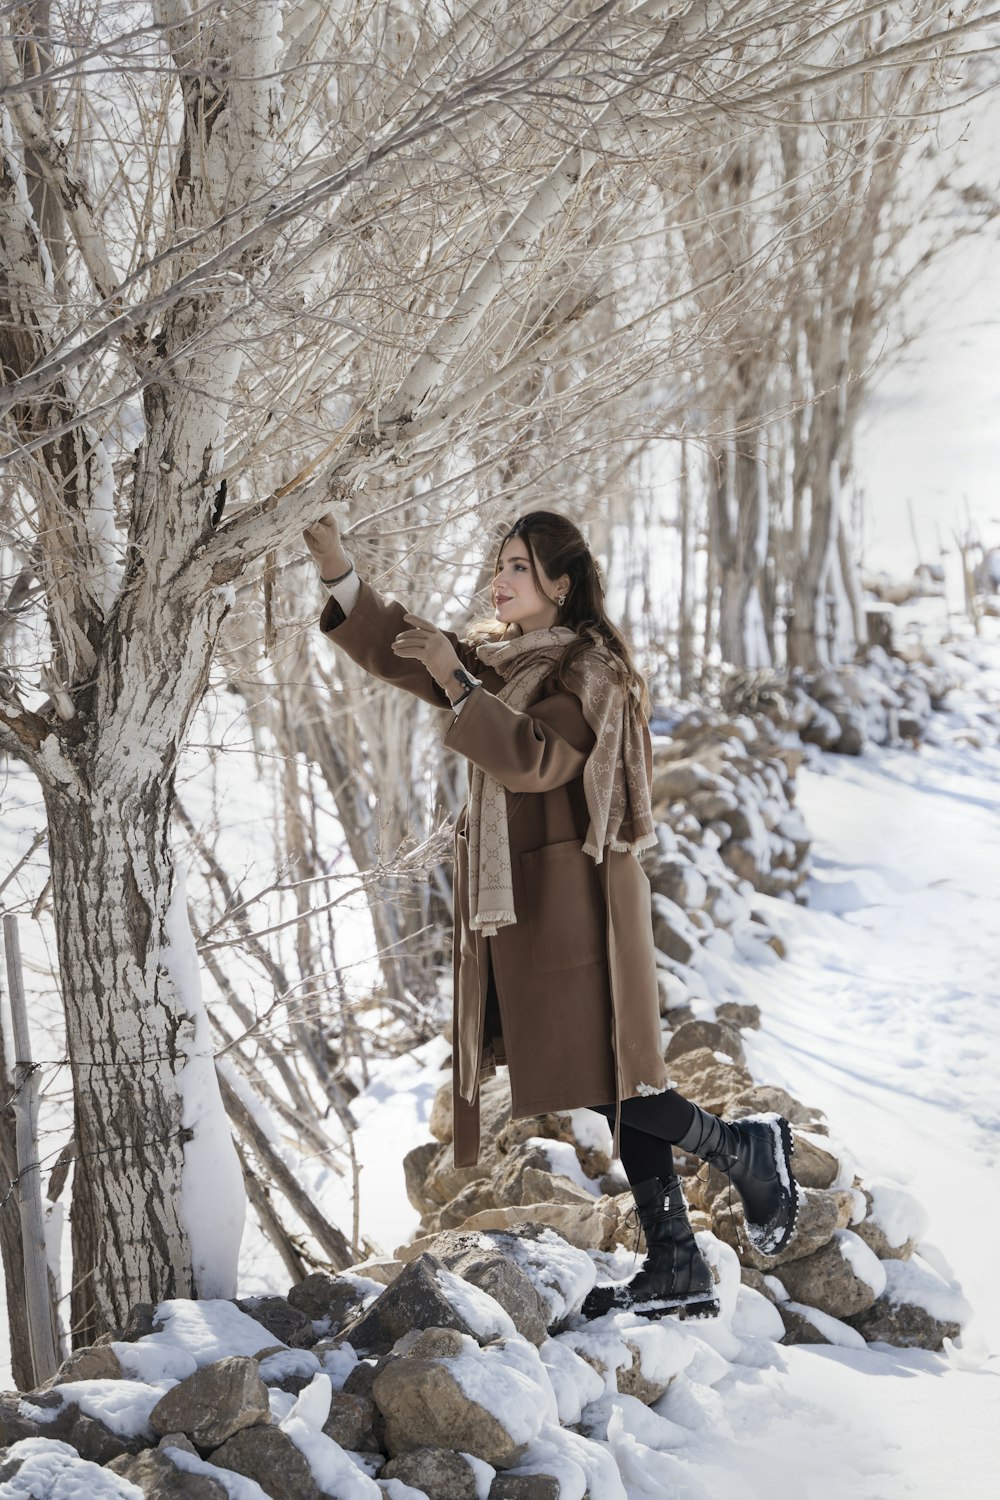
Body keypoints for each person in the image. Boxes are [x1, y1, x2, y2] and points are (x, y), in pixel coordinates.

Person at [304, 508, 798, 1320]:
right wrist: (338, 572)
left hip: (583, 898)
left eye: (521, 568)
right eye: (499, 564)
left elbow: (538, 757)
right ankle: (679, 1256)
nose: (501, 580)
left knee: (618, 1077)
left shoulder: (588, 669)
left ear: (561, 586)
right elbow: (406, 647)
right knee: (608, 1079)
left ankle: (745, 1153)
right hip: (536, 903)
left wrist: (457, 680)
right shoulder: (501, 661)